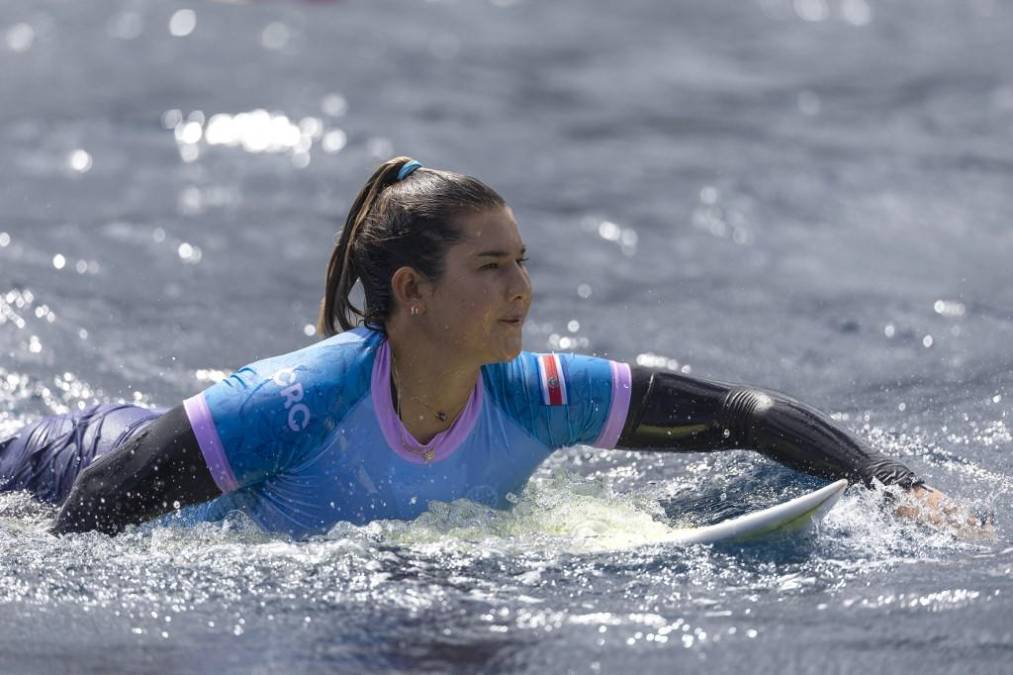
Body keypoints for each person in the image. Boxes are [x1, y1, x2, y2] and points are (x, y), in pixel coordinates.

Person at [0, 157, 971, 538]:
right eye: (492, 267)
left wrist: (894, 481)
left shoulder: (532, 391)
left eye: (523, 262)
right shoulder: (300, 400)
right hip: (71, 457)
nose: (522, 291)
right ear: (413, 292)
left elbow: (733, 413)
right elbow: (98, 500)